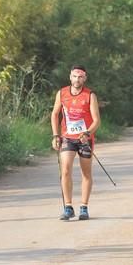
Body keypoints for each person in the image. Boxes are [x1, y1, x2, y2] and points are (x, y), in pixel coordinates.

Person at [51, 65, 101, 220]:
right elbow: (55, 114)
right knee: (65, 170)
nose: (77, 79)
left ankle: (84, 207)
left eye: (80, 77)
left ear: (84, 78)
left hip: (84, 139)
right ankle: (68, 207)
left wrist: (87, 133)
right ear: (70, 77)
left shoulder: (90, 95)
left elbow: (97, 120)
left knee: (86, 173)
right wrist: (55, 135)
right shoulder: (62, 93)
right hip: (67, 137)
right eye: (74, 76)